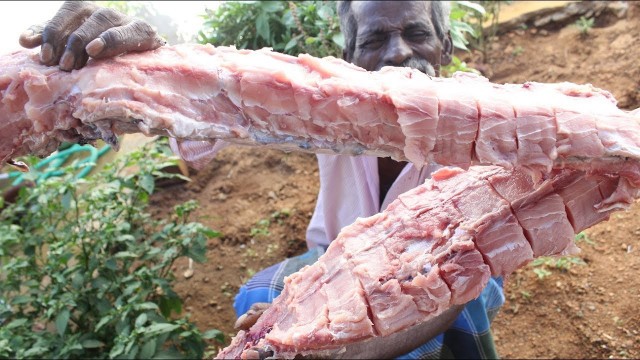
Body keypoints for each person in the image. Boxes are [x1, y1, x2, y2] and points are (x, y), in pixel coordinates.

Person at [20, 1, 504, 358]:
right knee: (260, 298)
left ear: (444, 46)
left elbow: (472, 257)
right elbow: (219, 103)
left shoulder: (491, 120)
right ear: (350, 56)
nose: (397, 55)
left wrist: (347, 346)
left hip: (455, 259)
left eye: (416, 33)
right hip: (341, 252)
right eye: (374, 40)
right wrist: (142, 66)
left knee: (447, 318)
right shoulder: (327, 105)